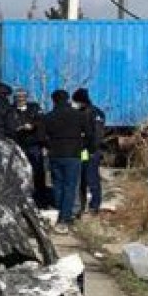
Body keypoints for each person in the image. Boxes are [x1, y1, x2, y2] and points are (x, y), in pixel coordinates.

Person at [42, 89, 89, 233]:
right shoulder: (79, 116)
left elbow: (42, 136)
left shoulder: (48, 117)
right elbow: (89, 133)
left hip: (55, 154)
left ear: (54, 100)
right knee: (70, 185)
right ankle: (65, 217)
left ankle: (58, 210)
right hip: (74, 154)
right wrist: (84, 147)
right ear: (68, 99)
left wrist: (50, 146)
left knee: (57, 184)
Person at [72, 87, 107, 215]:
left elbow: (97, 135)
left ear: (81, 101)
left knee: (91, 178)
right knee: (82, 177)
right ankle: (82, 205)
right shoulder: (84, 112)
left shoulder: (94, 113)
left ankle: (94, 205)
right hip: (83, 150)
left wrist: (91, 149)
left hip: (90, 151)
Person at [13, 88, 49, 207]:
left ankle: (41, 200)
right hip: (19, 144)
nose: (21, 99)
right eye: (18, 97)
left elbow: (42, 122)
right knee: (20, 172)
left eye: (23, 97)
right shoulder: (12, 110)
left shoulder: (34, 108)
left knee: (38, 172)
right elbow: (9, 124)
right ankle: (22, 198)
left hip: (34, 144)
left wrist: (32, 126)